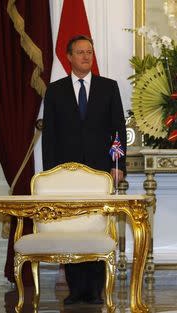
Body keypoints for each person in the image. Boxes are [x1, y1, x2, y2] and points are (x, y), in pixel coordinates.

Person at [42, 35, 126, 305]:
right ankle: (76, 289)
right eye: (80, 52)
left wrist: (118, 165)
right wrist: (50, 175)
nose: (87, 56)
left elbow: (118, 132)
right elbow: (50, 136)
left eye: (90, 52)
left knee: (96, 227)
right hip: (66, 173)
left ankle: (95, 289)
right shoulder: (55, 91)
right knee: (73, 228)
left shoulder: (108, 87)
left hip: (100, 171)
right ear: (69, 56)